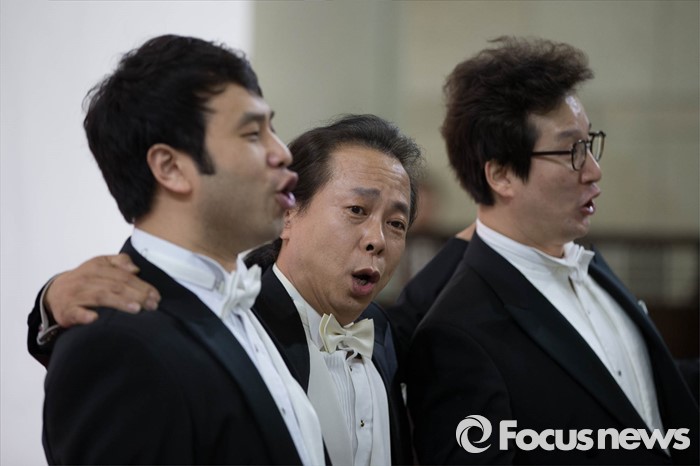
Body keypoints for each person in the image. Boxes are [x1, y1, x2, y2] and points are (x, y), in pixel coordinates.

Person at [27, 114, 424, 465]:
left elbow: (446, 313)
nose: (377, 240)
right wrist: (49, 302)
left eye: (396, 224)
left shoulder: (380, 330)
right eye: (356, 210)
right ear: (288, 213)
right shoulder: (232, 318)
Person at [406, 36, 699, 465]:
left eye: (590, 143)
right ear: (502, 175)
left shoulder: (588, 264)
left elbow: (645, 395)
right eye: (571, 150)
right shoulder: (458, 333)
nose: (594, 170)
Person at [37, 34, 324, 465]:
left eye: (273, 129)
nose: (282, 152)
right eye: (252, 133)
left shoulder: (253, 304)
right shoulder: (117, 346)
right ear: (170, 167)